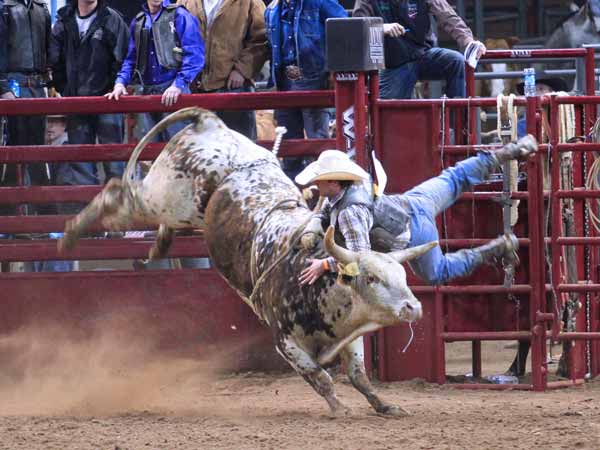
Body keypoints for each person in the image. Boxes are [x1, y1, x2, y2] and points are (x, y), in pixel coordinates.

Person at [295, 135, 538, 286]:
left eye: (320, 180)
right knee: (455, 177)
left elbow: (362, 260)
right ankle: (509, 152)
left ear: (334, 182)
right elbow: (326, 208)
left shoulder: (350, 213)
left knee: (436, 273)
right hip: (413, 202)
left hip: (414, 233)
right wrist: (314, 224)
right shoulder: (353, 184)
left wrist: (325, 265)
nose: (316, 184)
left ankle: (498, 247)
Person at [50, 0, 130, 186]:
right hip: (76, 103)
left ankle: (116, 212)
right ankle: (87, 210)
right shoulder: (64, 21)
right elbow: (56, 61)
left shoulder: (112, 20)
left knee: (114, 162)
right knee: (81, 163)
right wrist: (67, 90)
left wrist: (113, 87)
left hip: (108, 102)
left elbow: (125, 59)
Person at [264, 0, 347, 179]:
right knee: (289, 144)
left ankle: (323, 191)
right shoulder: (273, 9)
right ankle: (295, 189)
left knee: (317, 141)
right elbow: (271, 47)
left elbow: (343, 28)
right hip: (284, 81)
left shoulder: (320, 2)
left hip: (314, 77)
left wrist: (335, 69)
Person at [105, 0, 205, 142]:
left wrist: (178, 84)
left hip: (173, 90)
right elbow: (131, 58)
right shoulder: (139, 21)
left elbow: (195, 55)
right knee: (148, 150)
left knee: (177, 148)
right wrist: (120, 83)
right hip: (147, 92)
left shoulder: (180, 15)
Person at [353, 0, 486, 100]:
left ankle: (456, 127)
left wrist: (469, 41)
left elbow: (447, 16)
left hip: (424, 55)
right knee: (385, 116)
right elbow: (356, 26)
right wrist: (381, 28)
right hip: (394, 64)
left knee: (456, 61)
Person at [178, 0, 269, 140]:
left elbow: (262, 38)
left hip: (233, 87)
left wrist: (242, 69)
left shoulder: (250, 2)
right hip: (195, 89)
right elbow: (175, 37)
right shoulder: (185, 1)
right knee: (201, 151)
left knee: (240, 148)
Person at [0, 0, 52, 215]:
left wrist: (50, 82)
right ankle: (12, 216)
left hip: (37, 85)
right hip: (14, 84)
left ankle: (43, 215)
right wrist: (3, 87)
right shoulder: (5, 9)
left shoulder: (41, 9)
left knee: (38, 150)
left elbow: (49, 50)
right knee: (14, 152)